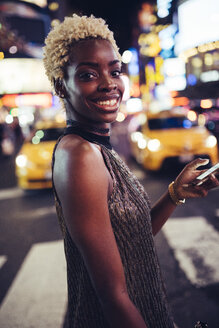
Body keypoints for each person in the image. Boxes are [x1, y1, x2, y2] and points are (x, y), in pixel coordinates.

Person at [43, 14, 219, 328]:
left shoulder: (97, 147)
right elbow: (111, 294)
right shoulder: (79, 154)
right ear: (61, 84)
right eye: (88, 73)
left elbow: (130, 240)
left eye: (115, 71)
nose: (109, 83)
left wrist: (175, 193)